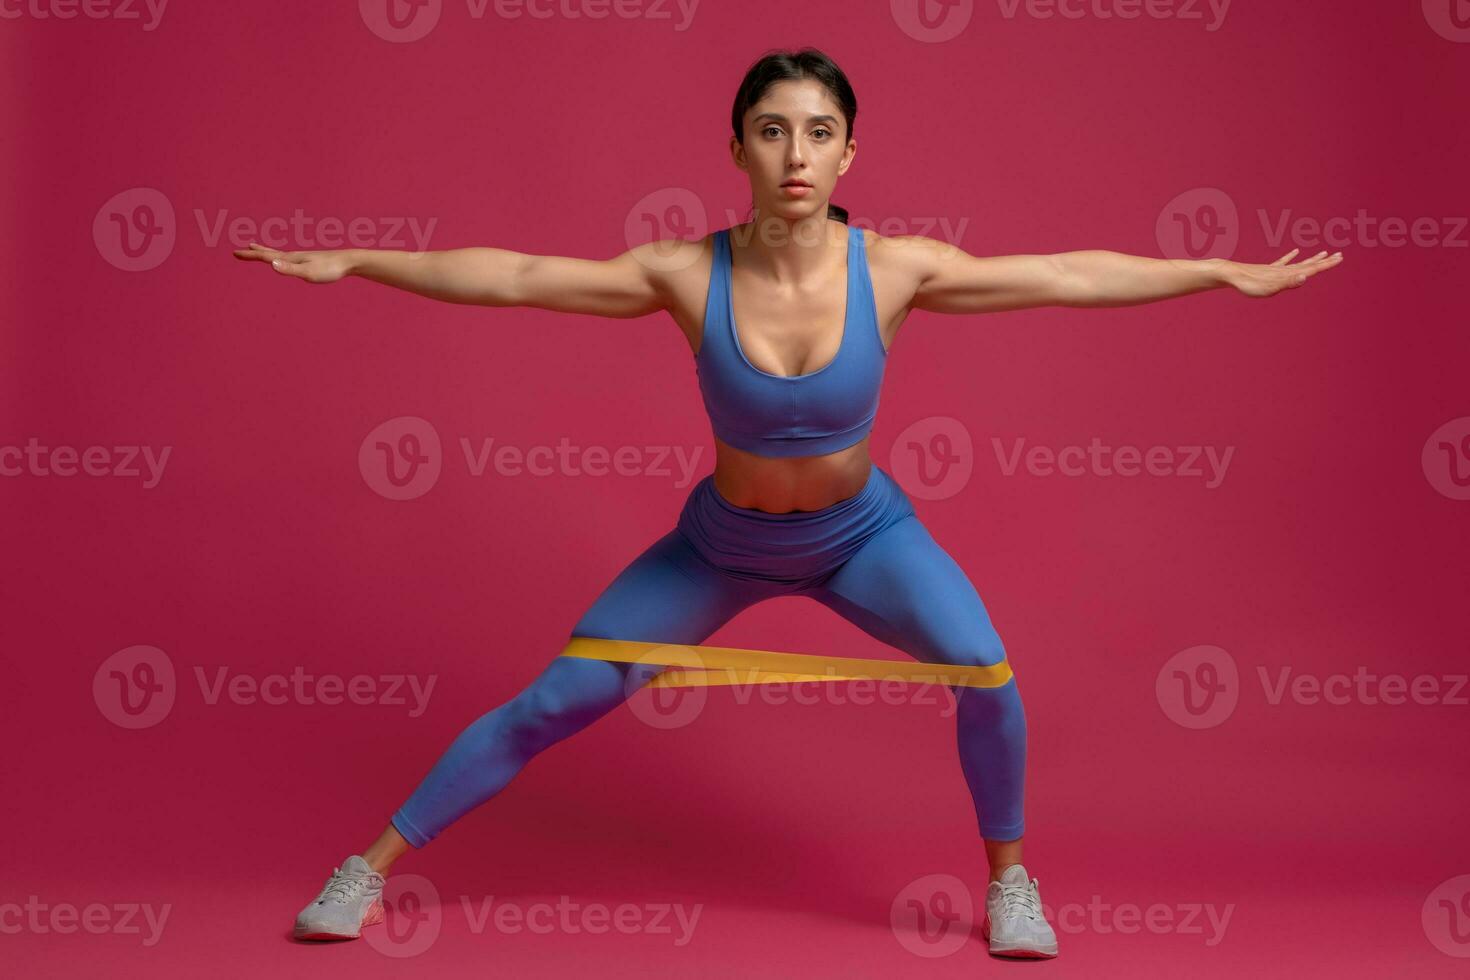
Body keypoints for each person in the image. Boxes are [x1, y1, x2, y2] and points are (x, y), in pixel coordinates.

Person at [236, 47, 1341, 960]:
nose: (795, 152)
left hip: (862, 539)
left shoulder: (897, 268)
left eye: (818, 131)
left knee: (988, 669)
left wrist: (1223, 273)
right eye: (772, 129)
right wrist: (355, 261)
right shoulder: (682, 270)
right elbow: (519, 277)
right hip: (720, 546)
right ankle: (365, 870)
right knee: (551, 702)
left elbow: (1064, 274)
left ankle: (1010, 884)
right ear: (738, 149)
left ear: (849, 150)